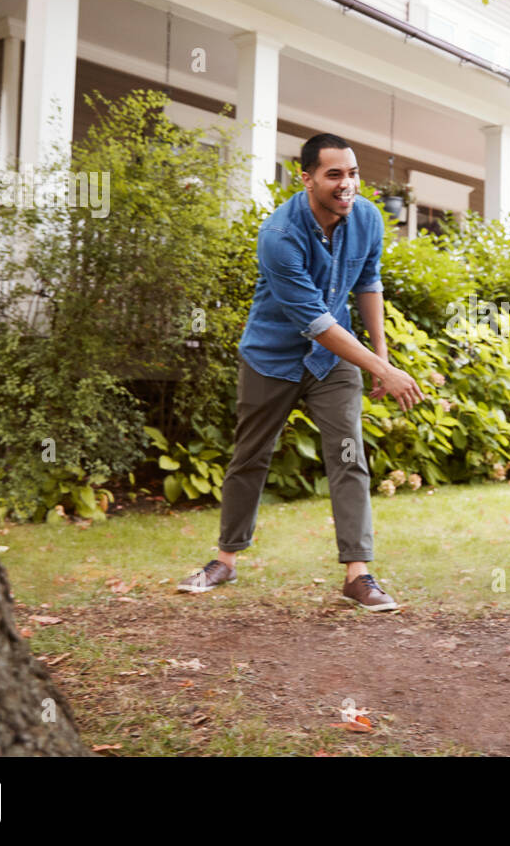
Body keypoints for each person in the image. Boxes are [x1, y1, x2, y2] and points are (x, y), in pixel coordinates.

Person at [178, 133, 424, 609]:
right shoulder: (278, 235)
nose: (346, 183)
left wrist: (382, 357)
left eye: (352, 173)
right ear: (306, 178)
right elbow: (315, 322)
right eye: (334, 175)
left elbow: (368, 284)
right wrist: (380, 368)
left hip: (333, 362)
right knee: (250, 455)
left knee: (349, 454)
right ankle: (225, 561)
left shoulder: (369, 218)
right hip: (272, 358)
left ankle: (358, 574)